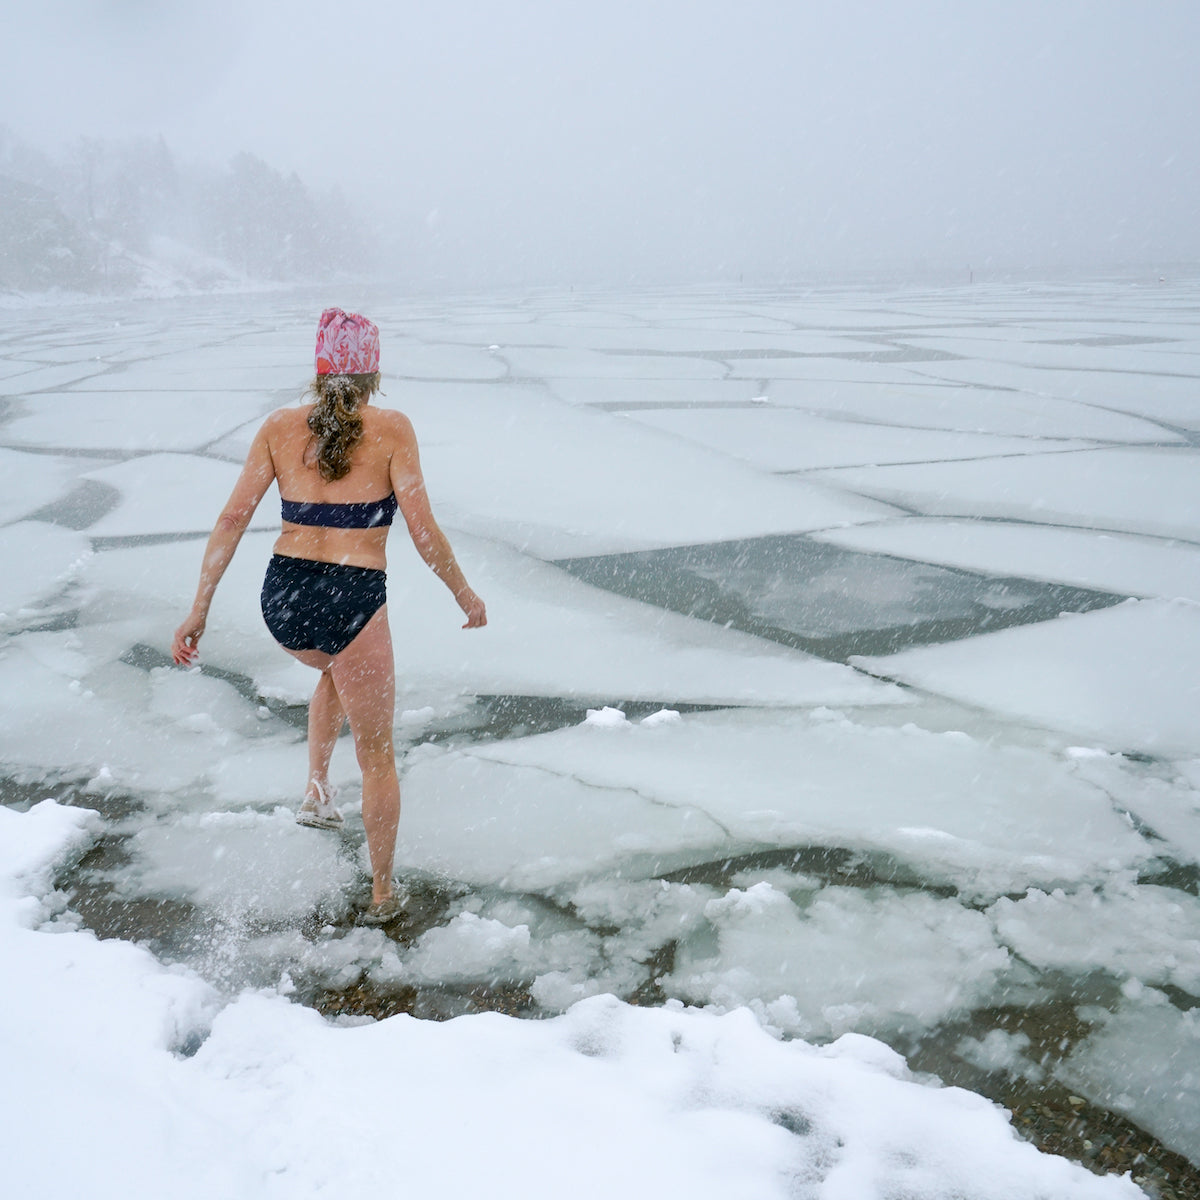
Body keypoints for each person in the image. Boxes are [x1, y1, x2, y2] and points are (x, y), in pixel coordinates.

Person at [172, 308, 486, 923]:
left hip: (284, 596)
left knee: (332, 672)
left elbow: (233, 519)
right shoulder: (392, 427)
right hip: (353, 598)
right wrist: (464, 595)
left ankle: (316, 791)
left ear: (319, 368)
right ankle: (383, 894)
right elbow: (423, 532)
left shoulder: (280, 426)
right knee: (378, 760)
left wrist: (198, 610)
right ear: (372, 370)